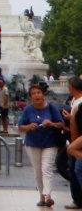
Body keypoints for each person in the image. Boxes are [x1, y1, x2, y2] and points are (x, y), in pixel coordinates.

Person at [19, 82, 65, 207]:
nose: (36, 95)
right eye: (33, 93)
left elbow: (61, 124)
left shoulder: (51, 107)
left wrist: (51, 123)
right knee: (38, 171)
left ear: (43, 94)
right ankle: (41, 196)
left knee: (47, 168)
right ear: (30, 97)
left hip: (50, 143)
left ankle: (48, 195)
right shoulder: (28, 109)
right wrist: (29, 126)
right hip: (33, 144)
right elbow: (20, 127)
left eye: (38, 92)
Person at [63, 77, 82, 209]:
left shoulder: (79, 103)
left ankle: (77, 199)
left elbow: (75, 123)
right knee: (76, 169)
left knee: (77, 169)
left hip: (78, 140)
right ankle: (77, 199)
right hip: (76, 140)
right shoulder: (76, 102)